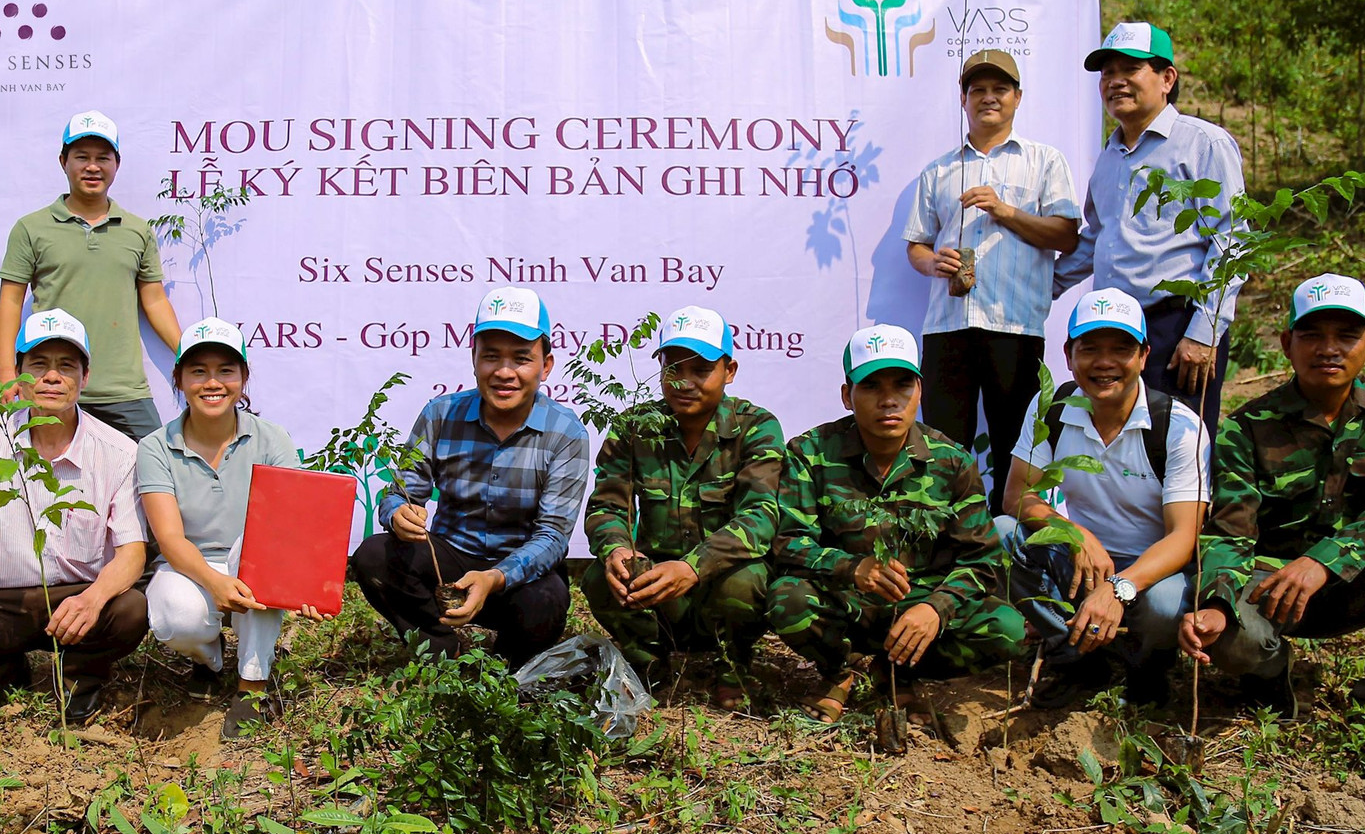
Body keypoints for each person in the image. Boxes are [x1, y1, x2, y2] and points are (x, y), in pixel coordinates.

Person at [1180, 275, 1365, 777]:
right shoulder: (1247, 427)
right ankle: (1268, 677)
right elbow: (1228, 531)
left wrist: (1323, 561)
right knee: (1227, 628)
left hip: (1357, 582)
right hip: (1271, 592)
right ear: (1287, 343)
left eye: (1346, 336)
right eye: (1312, 335)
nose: (1328, 349)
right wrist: (1219, 605)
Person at [0, 309, 150, 724]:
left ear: (84, 378)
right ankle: (2, 676)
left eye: (66, 366)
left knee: (130, 610)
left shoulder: (119, 451)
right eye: (38, 364)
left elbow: (131, 551)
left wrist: (93, 598)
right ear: (18, 375)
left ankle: (79, 676)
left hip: (76, 597)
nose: (52, 377)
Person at [768, 324, 1022, 721]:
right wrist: (852, 568)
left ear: (919, 391)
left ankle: (898, 672)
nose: (889, 401)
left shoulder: (951, 461)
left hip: (918, 603)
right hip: (844, 602)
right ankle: (840, 670)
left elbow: (982, 558)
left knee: (1006, 628)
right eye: (871, 387)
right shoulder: (811, 452)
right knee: (789, 598)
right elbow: (788, 541)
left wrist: (936, 608)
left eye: (902, 385)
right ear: (847, 396)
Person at [351, 287, 589, 667]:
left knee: (547, 601)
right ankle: (440, 650)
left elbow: (553, 536)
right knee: (374, 556)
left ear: (545, 366)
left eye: (521, 359)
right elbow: (401, 492)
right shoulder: (441, 414)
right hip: (450, 557)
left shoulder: (566, 432)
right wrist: (397, 513)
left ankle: (504, 669)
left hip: (518, 572)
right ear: (474, 359)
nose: (504, 372)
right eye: (491, 356)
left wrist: (494, 578)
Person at [995, 289, 1209, 708]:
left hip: (1153, 571)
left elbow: (1183, 538)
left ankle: (1146, 670)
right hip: (1083, 564)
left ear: (1144, 355)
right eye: (1089, 348)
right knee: (1005, 535)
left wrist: (1118, 589)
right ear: (1069, 354)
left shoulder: (1178, 426)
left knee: (1165, 605)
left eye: (1122, 349)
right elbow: (1017, 495)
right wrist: (1076, 536)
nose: (1105, 363)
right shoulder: (1050, 410)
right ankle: (1076, 658)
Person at [582, 305, 784, 707]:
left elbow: (761, 516)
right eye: (673, 368)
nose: (684, 382)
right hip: (656, 588)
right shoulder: (634, 428)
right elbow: (606, 505)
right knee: (597, 578)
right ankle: (648, 663)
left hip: (719, 585)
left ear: (730, 370)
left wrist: (695, 567)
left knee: (747, 581)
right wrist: (617, 549)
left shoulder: (755, 427)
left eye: (700, 369)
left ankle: (734, 664)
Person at [904, 49, 1081, 508]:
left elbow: (1066, 234)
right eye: (977, 90)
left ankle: (1011, 551)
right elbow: (916, 245)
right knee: (942, 449)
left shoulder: (1044, 161)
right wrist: (932, 263)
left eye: (999, 89)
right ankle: (945, 545)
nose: (988, 98)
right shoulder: (938, 169)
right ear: (962, 99)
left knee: (1015, 448)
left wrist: (1004, 210)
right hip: (947, 328)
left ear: (1018, 97)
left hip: (1015, 326)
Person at [140, 317, 323, 740]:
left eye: (226, 370)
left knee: (257, 551)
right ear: (179, 379)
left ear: (243, 377)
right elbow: (169, 538)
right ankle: (207, 660)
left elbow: (290, 526)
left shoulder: (272, 439)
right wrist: (214, 582)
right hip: (188, 562)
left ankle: (252, 685)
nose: (212, 382)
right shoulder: (154, 447)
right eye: (198, 370)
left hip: (253, 559)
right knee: (173, 618)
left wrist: (304, 586)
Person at [1053, 22, 1247, 416]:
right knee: (1121, 458)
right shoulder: (1109, 157)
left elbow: (1231, 240)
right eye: (1108, 73)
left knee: (1179, 456)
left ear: (1166, 78)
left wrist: (1202, 333)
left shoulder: (1202, 143)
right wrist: (1036, 286)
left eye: (1130, 70)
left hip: (1175, 329)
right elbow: (1098, 240)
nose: (1116, 82)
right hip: (1115, 332)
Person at [0, 110, 182, 442]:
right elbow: (11, 301)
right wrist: (7, 374)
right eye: (82, 156)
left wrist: (187, 353)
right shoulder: (31, 228)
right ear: (63, 161)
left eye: (102, 157)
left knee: (154, 473)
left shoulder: (137, 231)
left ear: (116, 164)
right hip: (49, 386)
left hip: (123, 389)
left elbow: (154, 300)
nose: (92, 166)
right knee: (41, 480)